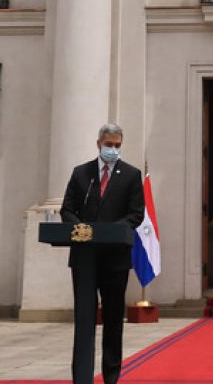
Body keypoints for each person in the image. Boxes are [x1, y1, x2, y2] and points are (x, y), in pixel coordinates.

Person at [60, 123, 144, 384]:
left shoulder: (131, 175)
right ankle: (81, 376)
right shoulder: (81, 173)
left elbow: (136, 214)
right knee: (84, 317)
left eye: (117, 145)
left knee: (113, 319)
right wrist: (81, 229)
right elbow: (67, 209)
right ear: (99, 144)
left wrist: (113, 230)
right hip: (85, 257)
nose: (113, 149)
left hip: (115, 258)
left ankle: (111, 376)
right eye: (109, 145)